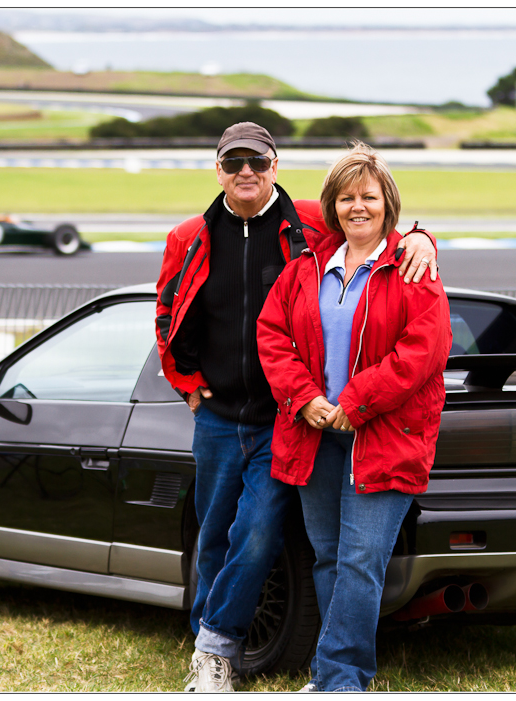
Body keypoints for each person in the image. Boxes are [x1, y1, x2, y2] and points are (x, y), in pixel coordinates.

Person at [155, 123, 438, 692]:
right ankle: (215, 658)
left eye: (256, 163)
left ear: (275, 166)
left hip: (304, 424)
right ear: (218, 169)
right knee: (221, 539)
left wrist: (423, 236)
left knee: (269, 538)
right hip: (245, 419)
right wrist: (185, 382)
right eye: (234, 162)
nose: (246, 173)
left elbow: (380, 228)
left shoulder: (311, 227)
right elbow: (175, 314)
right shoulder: (194, 236)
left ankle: (314, 672)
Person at [256, 142, 452, 692]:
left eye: (368, 196)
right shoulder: (307, 267)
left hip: (383, 435)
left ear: (387, 202)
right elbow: (273, 337)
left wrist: (354, 402)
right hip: (315, 436)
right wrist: (305, 398)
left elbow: (423, 353)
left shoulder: (413, 266)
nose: (357, 207)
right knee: (328, 558)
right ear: (332, 205)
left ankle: (341, 681)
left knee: (361, 562)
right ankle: (333, 673)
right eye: (345, 198)